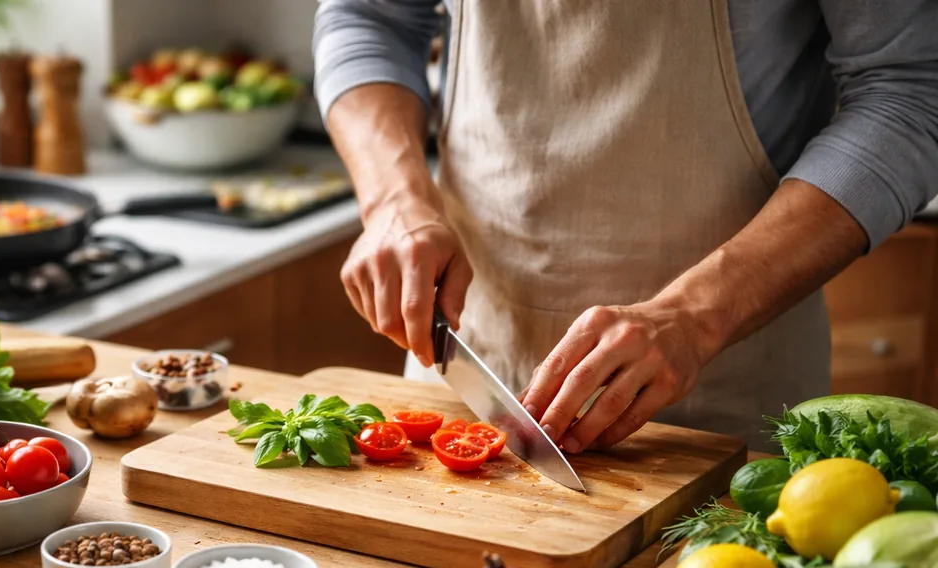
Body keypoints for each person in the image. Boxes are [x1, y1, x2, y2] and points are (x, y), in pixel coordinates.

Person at [313, 0, 938, 450]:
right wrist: (393, 199)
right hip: (472, 352)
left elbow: (911, 91)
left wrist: (696, 317)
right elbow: (368, 16)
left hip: (729, 379)